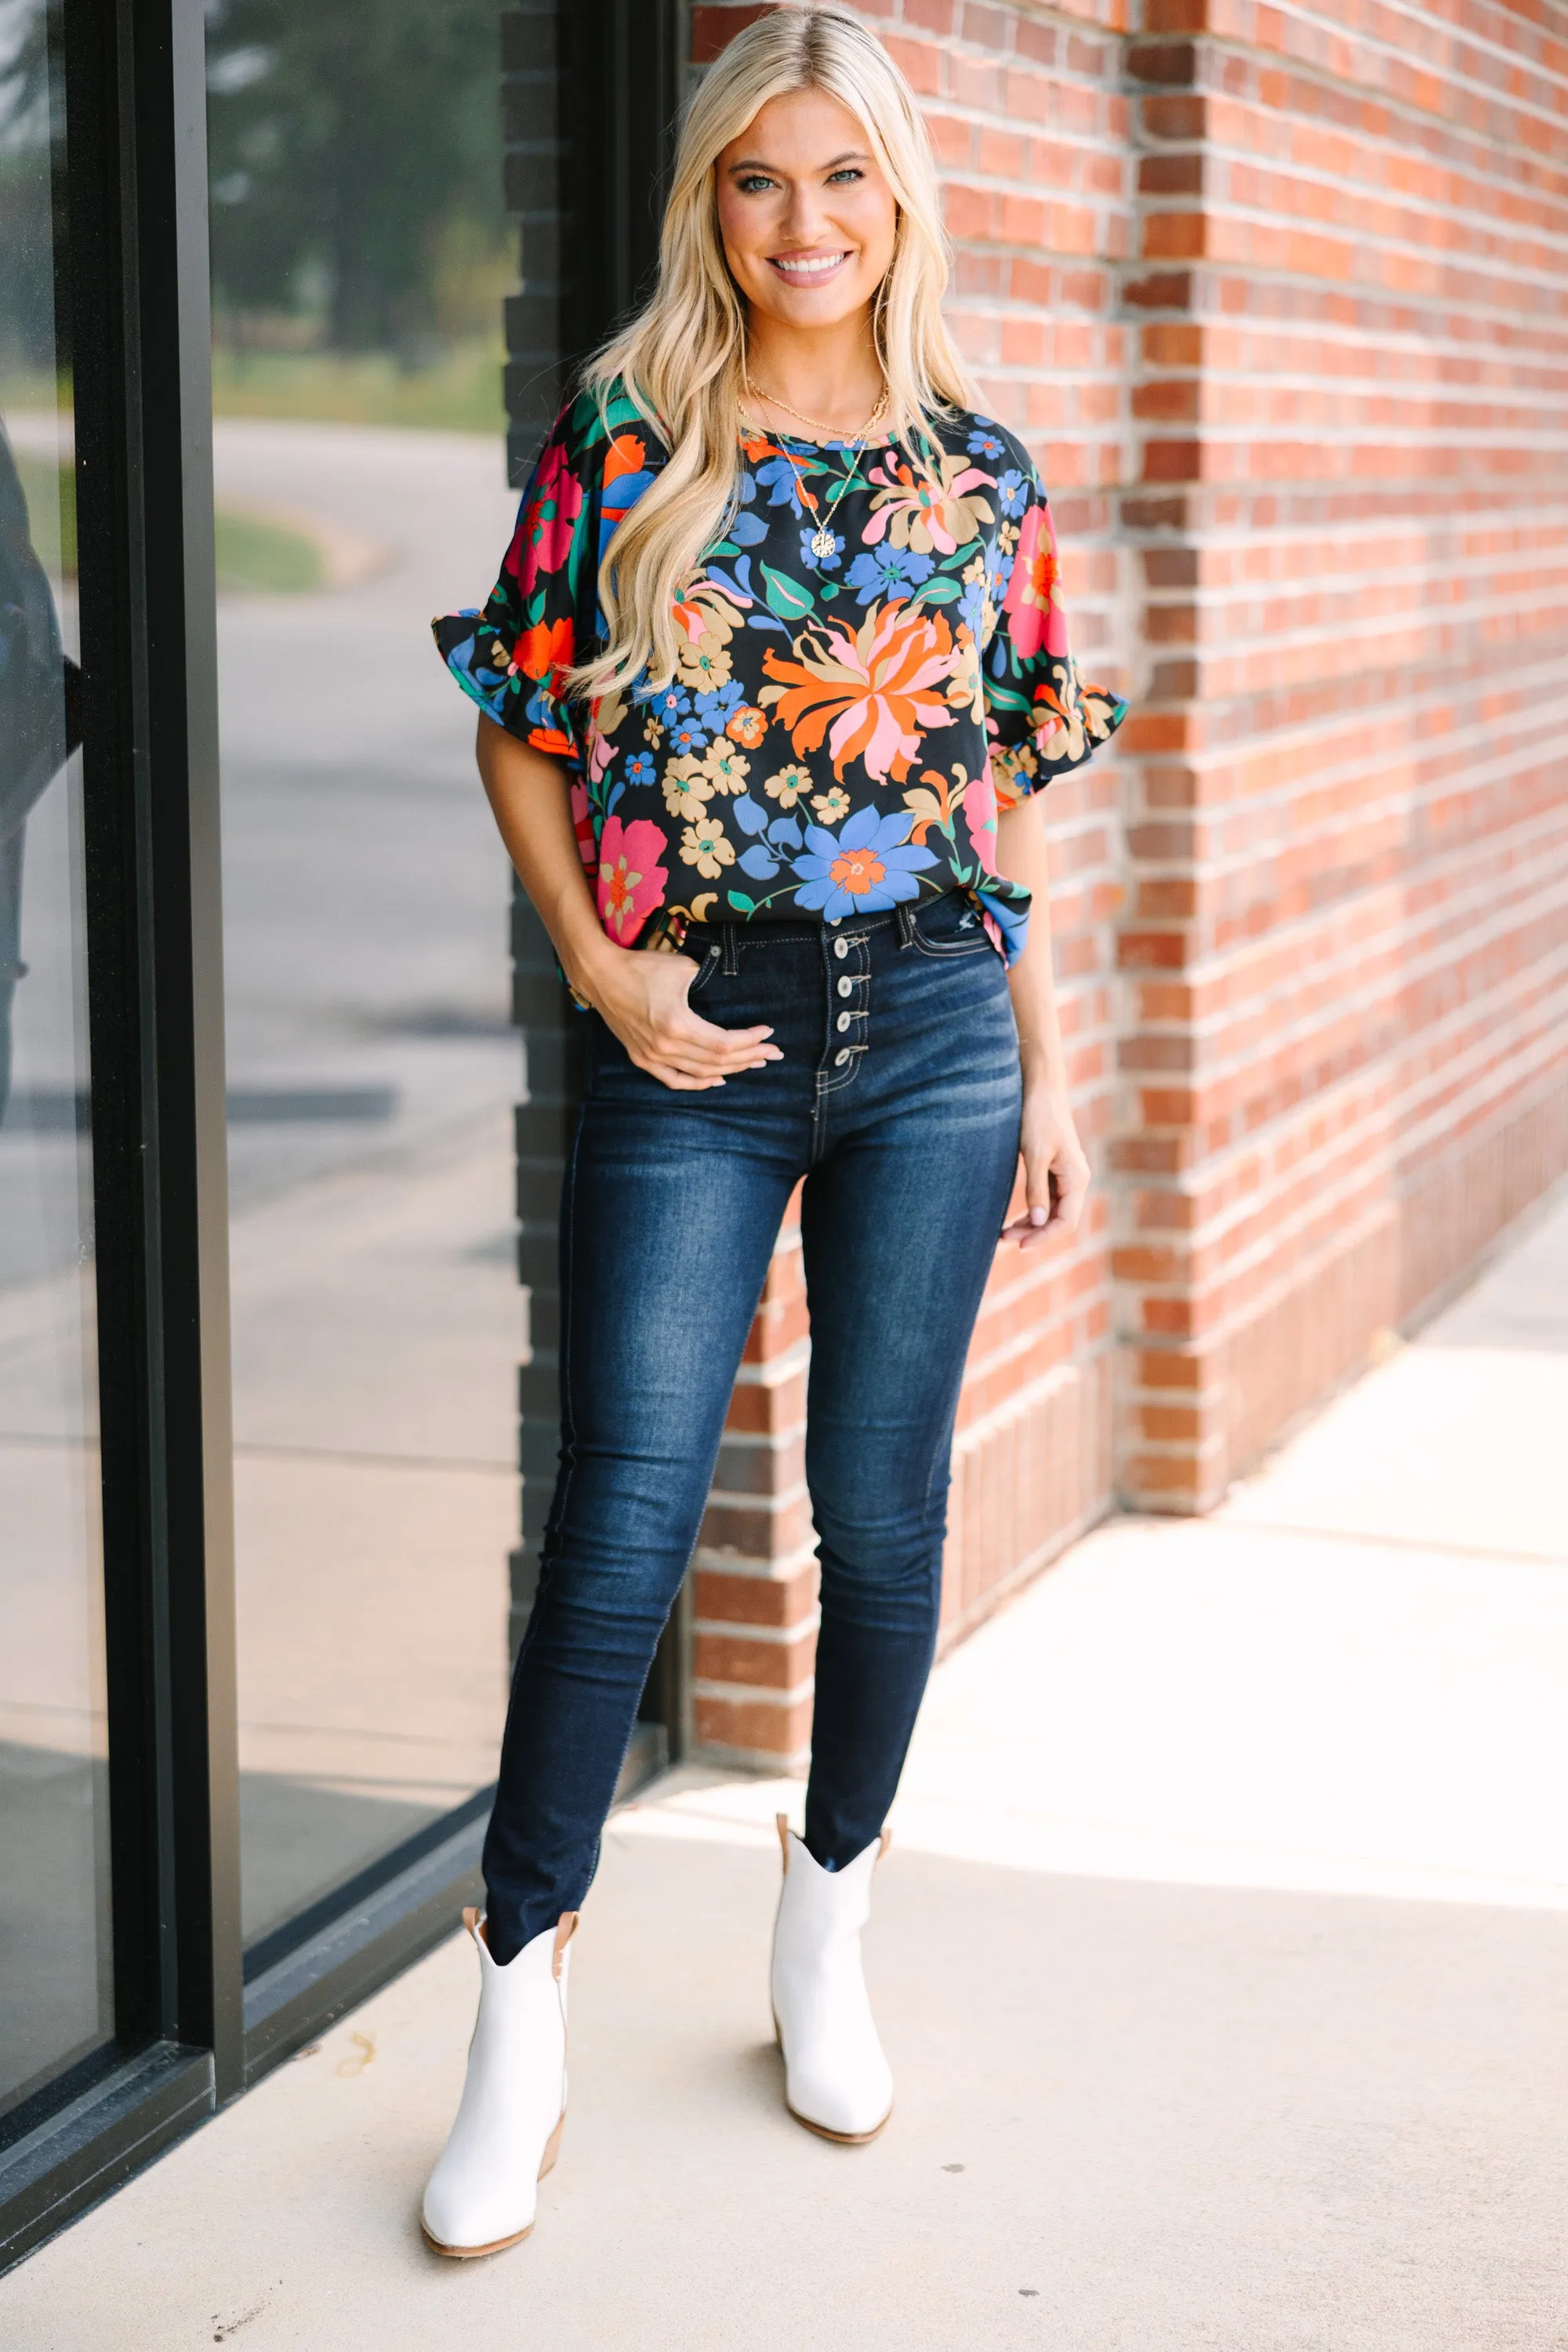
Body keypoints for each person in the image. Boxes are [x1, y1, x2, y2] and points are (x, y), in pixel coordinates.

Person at [421, 2, 1125, 2259]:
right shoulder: (630, 438)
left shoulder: (980, 474)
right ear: (707, 201)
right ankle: (517, 2004)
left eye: (840, 177)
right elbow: (525, 728)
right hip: (691, 1030)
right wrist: (606, 975)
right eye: (758, 179)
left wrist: (1044, 1053)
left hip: (931, 1030)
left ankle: (827, 1923)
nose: (800, 221)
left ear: (896, 194)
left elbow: (983, 788)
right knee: (624, 1516)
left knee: (882, 1519)